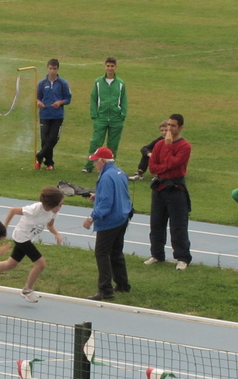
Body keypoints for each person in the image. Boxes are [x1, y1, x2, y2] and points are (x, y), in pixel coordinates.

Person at [0, 186, 64, 303]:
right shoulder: (35, 209)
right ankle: (27, 290)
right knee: (41, 264)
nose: (61, 207)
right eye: (60, 204)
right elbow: (13, 210)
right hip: (22, 237)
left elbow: (50, 225)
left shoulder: (53, 212)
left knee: (11, 264)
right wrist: (4, 227)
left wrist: (56, 233)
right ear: (51, 204)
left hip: (27, 238)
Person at [82, 147, 133, 301]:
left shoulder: (105, 177)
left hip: (110, 221)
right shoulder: (119, 173)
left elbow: (106, 205)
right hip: (122, 217)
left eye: (95, 161)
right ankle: (123, 285)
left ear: (102, 161)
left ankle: (105, 290)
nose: (94, 164)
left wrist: (91, 218)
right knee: (116, 252)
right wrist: (98, 196)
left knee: (102, 253)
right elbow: (117, 194)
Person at [143, 114, 193, 270]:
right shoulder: (158, 145)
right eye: (168, 125)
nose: (169, 129)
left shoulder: (184, 146)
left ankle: (182, 257)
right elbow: (153, 167)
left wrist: (169, 146)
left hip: (176, 188)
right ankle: (156, 254)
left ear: (180, 128)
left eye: (173, 126)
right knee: (156, 223)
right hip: (159, 188)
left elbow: (174, 164)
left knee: (178, 225)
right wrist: (164, 164)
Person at [82, 57, 127, 173]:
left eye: (112, 66)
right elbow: (93, 98)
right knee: (96, 142)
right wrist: (94, 114)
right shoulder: (98, 82)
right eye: (108, 66)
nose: (110, 68)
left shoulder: (121, 83)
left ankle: (110, 167)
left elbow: (124, 100)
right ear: (104, 67)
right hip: (101, 117)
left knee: (113, 144)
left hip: (116, 118)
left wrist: (122, 114)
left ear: (116, 67)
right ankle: (88, 166)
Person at [35, 59, 71, 171]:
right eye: (50, 68)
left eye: (54, 69)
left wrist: (60, 102)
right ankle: (49, 163)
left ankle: (40, 156)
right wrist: (38, 102)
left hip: (57, 115)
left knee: (53, 138)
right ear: (47, 68)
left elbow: (68, 98)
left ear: (57, 69)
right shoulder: (41, 83)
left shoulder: (63, 83)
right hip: (44, 114)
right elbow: (37, 97)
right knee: (44, 139)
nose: (52, 71)